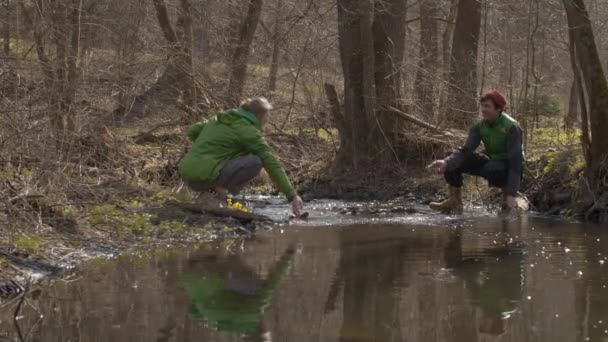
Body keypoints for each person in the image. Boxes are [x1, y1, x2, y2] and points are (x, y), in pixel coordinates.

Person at [179, 97, 304, 215]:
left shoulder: (220, 118)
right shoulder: (248, 131)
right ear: (260, 115)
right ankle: (217, 198)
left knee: (241, 155)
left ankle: (207, 196)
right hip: (205, 177)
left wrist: (209, 149)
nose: (267, 121)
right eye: (267, 117)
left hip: (188, 177)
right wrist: (292, 195)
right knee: (255, 161)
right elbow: (270, 161)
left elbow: (193, 131)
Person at [427, 91, 524, 214]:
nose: (483, 110)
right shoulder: (479, 127)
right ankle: (455, 201)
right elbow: (465, 150)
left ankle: (507, 201)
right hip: (491, 161)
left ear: (499, 108)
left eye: (487, 106)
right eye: (482, 106)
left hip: (509, 167)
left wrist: (511, 194)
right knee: (452, 158)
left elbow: (516, 162)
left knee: (492, 168)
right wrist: (446, 163)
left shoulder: (512, 127)